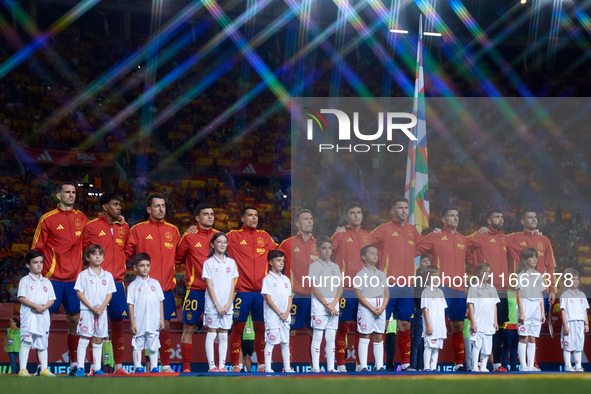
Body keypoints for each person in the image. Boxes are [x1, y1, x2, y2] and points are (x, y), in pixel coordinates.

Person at [32, 182, 87, 373]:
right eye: (67, 192)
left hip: (75, 279)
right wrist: (36, 277)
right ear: (58, 195)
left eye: (73, 192)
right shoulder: (47, 219)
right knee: (45, 322)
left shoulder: (82, 218)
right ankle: (42, 365)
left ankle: (73, 363)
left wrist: (116, 219)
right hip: (52, 278)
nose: (71, 195)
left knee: (74, 321)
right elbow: (36, 249)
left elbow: (94, 235)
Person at [125, 194, 180, 373]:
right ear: (149, 209)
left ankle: (163, 365)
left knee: (163, 327)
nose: (161, 209)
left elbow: (178, 256)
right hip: (142, 289)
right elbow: (126, 254)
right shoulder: (137, 230)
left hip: (164, 288)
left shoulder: (173, 230)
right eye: (157, 206)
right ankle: (143, 366)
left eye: (163, 205)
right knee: (141, 328)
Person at [371, 197, 423, 371]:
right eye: (400, 207)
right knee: (382, 325)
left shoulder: (412, 230)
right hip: (387, 285)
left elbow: (424, 245)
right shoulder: (384, 229)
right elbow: (366, 243)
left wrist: (437, 232)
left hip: (407, 287)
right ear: (392, 210)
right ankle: (379, 364)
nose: (403, 211)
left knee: (405, 325)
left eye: (406, 208)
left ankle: (406, 363)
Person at [415, 206, 470, 371]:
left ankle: (459, 363)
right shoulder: (435, 236)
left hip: (459, 289)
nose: (455, 218)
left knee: (458, 326)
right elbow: (416, 248)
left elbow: (472, 258)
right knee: (433, 325)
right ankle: (424, 365)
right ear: (444, 220)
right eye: (452, 215)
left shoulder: (464, 239)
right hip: (441, 288)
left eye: (457, 215)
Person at [81, 192, 129, 375]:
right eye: (115, 204)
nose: (119, 207)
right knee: (94, 325)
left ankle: (119, 367)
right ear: (104, 207)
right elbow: (83, 252)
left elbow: (127, 250)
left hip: (117, 282)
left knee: (117, 324)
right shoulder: (91, 227)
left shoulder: (124, 227)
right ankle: (93, 367)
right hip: (96, 283)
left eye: (119, 205)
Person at [227, 206, 278, 372]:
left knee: (261, 329)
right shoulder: (233, 236)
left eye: (256, 215)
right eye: (250, 215)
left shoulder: (264, 236)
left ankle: (262, 364)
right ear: (242, 219)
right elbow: (211, 240)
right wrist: (194, 230)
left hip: (261, 293)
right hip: (241, 291)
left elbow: (280, 252)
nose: (254, 218)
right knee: (237, 328)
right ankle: (235, 364)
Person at [175, 204, 218, 372]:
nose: (210, 217)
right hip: (196, 289)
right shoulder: (189, 237)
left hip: (216, 292)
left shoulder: (219, 237)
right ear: (197, 218)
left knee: (215, 329)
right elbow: (177, 257)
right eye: (206, 214)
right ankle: (186, 367)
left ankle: (216, 366)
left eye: (212, 214)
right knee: (189, 327)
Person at [468, 208, 510, 372]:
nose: (501, 219)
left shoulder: (505, 239)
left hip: (501, 290)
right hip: (483, 291)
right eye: (497, 217)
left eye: (502, 217)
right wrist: (472, 261)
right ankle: (477, 364)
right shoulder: (480, 236)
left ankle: (497, 364)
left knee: (497, 329)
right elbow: (461, 243)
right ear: (488, 220)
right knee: (479, 329)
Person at [332, 203, 371, 372]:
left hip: (364, 290)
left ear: (362, 216)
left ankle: (360, 364)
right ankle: (340, 364)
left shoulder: (368, 237)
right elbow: (325, 253)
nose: (356, 216)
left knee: (361, 327)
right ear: (346, 217)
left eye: (359, 213)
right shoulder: (339, 235)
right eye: (352, 213)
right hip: (345, 288)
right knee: (343, 326)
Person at [277, 209, 317, 362]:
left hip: (315, 295)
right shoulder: (287, 244)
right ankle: (287, 365)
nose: (310, 221)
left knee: (315, 330)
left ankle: (315, 366)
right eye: (306, 219)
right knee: (291, 330)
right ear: (298, 224)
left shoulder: (319, 244)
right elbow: (275, 264)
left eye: (311, 218)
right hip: (295, 294)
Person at [74, 244, 116, 376]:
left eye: (100, 254)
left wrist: (102, 307)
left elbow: (110, 293)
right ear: (87, 257)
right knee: (85, 338)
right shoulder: (83, 275)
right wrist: (91, 307)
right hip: (87, 311)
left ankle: (97, 368)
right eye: (94, 254)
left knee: (99, 339)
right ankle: (80, 367)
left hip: (102, 312)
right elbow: (79, 293)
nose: (97, 256)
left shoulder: (107, 275)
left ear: (103, 257)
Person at [202, 232, 238, 372]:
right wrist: (217, 304)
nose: (222, 244)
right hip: (212, 305)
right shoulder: (208, 263)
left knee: (224, 334)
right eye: (219, 241)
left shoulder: (231, 262)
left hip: (227, 304)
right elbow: (209, 285)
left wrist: (229, 303)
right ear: (212, 244)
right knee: (212, 333)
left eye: (225, 242)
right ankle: (212, 366)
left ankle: (222, 366)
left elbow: (232, 285)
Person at [17, 250, 56, 377]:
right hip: (29, 316)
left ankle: (44, 369)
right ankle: (23, 370)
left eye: (41, 262)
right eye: (35, 262)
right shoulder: (25, 281)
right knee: (26, 341)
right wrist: (35, 306)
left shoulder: (47, 282)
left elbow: (51, 299)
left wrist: (43, 308)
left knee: (43, 342)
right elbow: (21, 298)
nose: (39, 265)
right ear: (28, 265)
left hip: (43, 317)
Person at [308, 236, 343, 372]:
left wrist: (333, 303)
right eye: (324, 248)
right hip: (319, 307)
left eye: (329, 248)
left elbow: (340, 287)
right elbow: (315, 287)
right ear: (318, 250)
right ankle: (315, 368)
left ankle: (330, 367)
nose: (327, 251)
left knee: (330, 337)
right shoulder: (314, 266)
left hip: (333, 307)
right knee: (317, 336)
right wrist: (326, 304)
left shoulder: (335, 267)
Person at [127, 253, 165, 374]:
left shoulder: (155, 283)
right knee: (138, 344)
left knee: (153, 344)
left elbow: (160, 302)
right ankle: (138, 367)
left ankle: (154, 367)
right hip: (139, 320)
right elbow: (130, 305)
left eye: (147, 265)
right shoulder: (133, 286)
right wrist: (132, 322)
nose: (145, 268)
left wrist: (161, 319)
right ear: (135, 268)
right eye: (142, 265)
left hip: (154, 320)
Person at [354, 245, 389, 372]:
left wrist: (382, 308)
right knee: (365, 335)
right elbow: (358, 294)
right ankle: (363, 366)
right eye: (372, 253)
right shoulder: (360, 274)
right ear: (364, 257)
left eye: (376, 253)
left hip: (380, 307)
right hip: (366, 307)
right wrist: (371, 308)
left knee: (379, 336)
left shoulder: (382, 274)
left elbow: (386, 293)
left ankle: (379, 366)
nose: (375, 255)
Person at [261, 249, 294, 373]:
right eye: (278, 260)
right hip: (273, 317)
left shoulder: (286, 279)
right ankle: (268, 368)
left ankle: (287, 367)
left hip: (285, 316)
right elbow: (268, 298)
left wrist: (286, 313)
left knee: (285, 342)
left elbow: (289, 298)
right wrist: (279, 313)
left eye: (283, 261)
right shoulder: (267, 279)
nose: (281, 263)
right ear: (270, 262)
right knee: (271, 341)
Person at [515, 248, 546, 371]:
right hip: (526, 305)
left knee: (533, 337)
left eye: (536, 257)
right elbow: (519, 294)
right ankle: (523, 365)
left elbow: (540, 295)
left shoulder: (539, 276)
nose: (534, 259)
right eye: (531, 257)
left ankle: (531, 365)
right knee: (523, 336)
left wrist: (542, 311)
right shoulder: (521, 275)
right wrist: (522, 312)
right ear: (525, 260)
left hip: (536, 307)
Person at [467, 262, 500, 372]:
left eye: (489, 272)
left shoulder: (492, 289)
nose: (488, 274)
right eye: (485, 272)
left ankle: (484, 366)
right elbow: (470, 306)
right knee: (477, 346)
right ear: (479, 272)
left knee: (487, 347)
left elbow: (494, 305)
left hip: (489, 323)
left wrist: (495, 321)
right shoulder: (473, 288)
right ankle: (475, 367)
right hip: (478, 322)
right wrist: (473, 322)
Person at [558, 268, 589, 372]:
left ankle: (578, 366)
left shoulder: (582, 295)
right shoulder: (564, 295)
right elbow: (563, 311)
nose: (576, 281)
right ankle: (568, 366)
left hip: (580, 323)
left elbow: (584, 309)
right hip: (570, 323)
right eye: (573, 279)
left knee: (579, 346)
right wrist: (565, 324)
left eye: (577, 279)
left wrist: (587, 323)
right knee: (568, 345)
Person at [421, 265, 447, 372]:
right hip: (431, 325)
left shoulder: (440, 292)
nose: (437, 278)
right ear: (428, 278)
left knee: (436, 347)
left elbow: (443, 310)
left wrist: (444, 325)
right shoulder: (425, 292)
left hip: (439, 325)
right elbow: (425, 309)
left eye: (438, 276)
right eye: (434, 276)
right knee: (429, 346)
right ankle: (426, 367)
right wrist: (428, 324)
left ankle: (433, 367)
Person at [410, 255, 431, 371]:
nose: (427, 262)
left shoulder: (432, 279)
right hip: (420, 311)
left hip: (428, 312)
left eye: (428, 260)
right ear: (420, 265)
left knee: (425, 341)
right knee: (417, 339)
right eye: (424, 261)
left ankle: (423, 366)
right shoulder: (418, 277)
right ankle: (413, 365)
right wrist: (424, 307)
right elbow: (417, 296)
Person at [501, 285, 519, 371]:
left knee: (515, 347)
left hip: (518, 324)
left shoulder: (521, 293)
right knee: (506, 346)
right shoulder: (507, 293)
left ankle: (513, 367)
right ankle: (504, 366)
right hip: (508, 324)